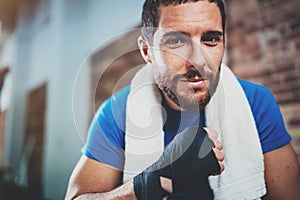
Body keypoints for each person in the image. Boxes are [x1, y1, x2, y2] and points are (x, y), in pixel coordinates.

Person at [65, 0, 300, 199]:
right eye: (176, 42)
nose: (197, 60)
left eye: (210, 39)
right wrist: (152, 182)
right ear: (147, 51)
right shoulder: (117, 114)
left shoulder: (255, 104)